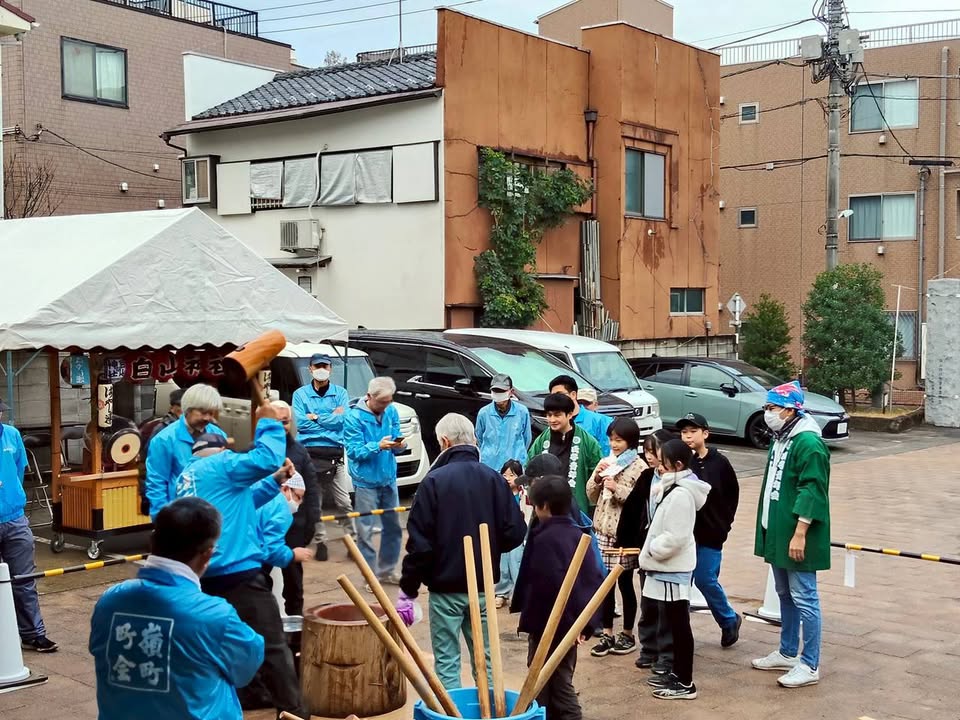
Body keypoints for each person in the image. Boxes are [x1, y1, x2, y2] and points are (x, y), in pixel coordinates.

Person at [174, 404, 308, 720]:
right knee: (273, 647)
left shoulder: (188, 477)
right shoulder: (222, 465)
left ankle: (241, 698)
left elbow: (242, 501)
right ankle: (294, 713)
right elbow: (268, 457)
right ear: (222, 450)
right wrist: (269, 422)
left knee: (225, 645)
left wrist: (275, 481)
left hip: (204, 578)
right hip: (238, 576)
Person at [89, 497, 263, 720]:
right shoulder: (215, 615)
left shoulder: (110, 601)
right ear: (208, 554)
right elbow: (245, 668)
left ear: (152, 541)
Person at [398, 413, 526, 690]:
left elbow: (419, 545)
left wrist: (408, 590)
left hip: (445, 589)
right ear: (473, 440)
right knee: (486, 658)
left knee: (447, 660)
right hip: (483, 588)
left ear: (444, 442)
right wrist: (490, 549)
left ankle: (452, 710)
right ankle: (491, 707)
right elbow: (516, 531)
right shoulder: (494, 479)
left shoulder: (433, 482)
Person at [751, 381, 831, 689]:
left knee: (805, 597)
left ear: (789, 410)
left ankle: (809, 664)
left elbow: (812, 489)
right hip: (778, 529)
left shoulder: (808, 442)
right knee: (784, 594)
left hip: (797, 533)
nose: (767, 413)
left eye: (771, 408)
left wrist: (800, 533)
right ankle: (786, 651)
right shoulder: (781, 438)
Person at [510, 474, 605, 720]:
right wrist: (585, 624)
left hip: (550, 625)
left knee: (550, 681)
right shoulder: (578, 534)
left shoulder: (545, 539)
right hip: (569, 623)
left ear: (544, 506)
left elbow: (545, 586)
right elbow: (592, 580)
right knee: (552, 679)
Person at [639, 438, 710, 700]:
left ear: (677, 465)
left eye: (664, 463)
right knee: (675, 622)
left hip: (671, 568)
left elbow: (676, 536)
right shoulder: (674, 488)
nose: (659, 466)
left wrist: (653, 548)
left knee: (678, 624)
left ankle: (684, 681)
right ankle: (678, 674)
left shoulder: (681, 494)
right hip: (666, 567)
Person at [678, 412, 742, 647]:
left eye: (693, 431)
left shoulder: (719, 462)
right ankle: (678, 633)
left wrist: (724, 525)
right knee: (681, 584)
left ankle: (728, 619)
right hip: (685, 534)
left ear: (705, 434)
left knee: (705, 579)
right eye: (684, 432)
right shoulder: (682, 461)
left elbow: (732, 494)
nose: (688, 436)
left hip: (711, 534)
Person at [587, 418, 647, 658]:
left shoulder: (639, 467)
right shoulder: (607, 461)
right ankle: (607, 633)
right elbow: (591, 495)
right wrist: (597, 478)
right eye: (611, 439)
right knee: (604, 585)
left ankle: (628, 634)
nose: (614, 444)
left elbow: (639, 502)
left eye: (619, 440)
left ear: (630, 441)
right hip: (602, 530)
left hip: (623, 534)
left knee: (625, 583)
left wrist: (616, 488)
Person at [0, 399, 57, 653]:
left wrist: (12, 497)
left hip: (15, 519)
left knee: (24, 579)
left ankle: (33, 634)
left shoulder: (12, 435)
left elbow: (19, 472)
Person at [617, 429, 676, 676]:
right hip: (646, 550)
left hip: (670, 555)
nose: (650, 457)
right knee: (649, 601)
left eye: (655, 451)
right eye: (647, 451)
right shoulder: (646, 476)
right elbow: (631, 511)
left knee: (667, 607)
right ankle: (649, 648)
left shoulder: (679, 480)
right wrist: (624, 542)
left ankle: (667, 654)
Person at [292, 352, 354, 561]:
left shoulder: (340, 393)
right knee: (315, 503)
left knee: (344, 501)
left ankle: (352, 540)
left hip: (334, 454)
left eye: (325, 366)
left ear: (330, 369)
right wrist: (330, 420)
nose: (321, 370)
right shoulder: (300, 394)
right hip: (310, 454)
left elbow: (343, 421)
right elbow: (300, 423)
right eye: (317, 366)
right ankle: (321, 542)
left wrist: (316, 418)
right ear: (310, 369)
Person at [344, 377, 406, 583]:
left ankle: (387, 570)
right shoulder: (353, 417)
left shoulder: (391, 411)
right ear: (369, 397)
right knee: (365, 530)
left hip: (388, 477)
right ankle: (370, 576)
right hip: (366, 481)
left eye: (389, 401)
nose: (386, 406)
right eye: (382, 402)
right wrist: (377, 446)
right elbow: (353, 451)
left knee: (394, 527)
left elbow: (397, 436)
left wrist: (400, 445)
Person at [145, 383, 226, 520]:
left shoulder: (218, 435)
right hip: (180, 515)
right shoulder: (164, 439)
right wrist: (161, 519)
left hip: (213, 513)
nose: (207, 418)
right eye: (202, 412)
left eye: (211, 413)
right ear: (187, 409)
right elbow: (156, 482)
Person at [272, 400, 319, 616]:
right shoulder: (255, 451)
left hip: (293, 527)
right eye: (276, 422)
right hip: (264, 527)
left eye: (285, 422)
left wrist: (311, 523)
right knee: (262, 580)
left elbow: (312, 489)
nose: (281, 427)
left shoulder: (299, 451)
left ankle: (295, 626)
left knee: (293, 584)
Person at [528, 392, 602, 516]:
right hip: (546, 508)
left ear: (570, 414)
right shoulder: (542, 440)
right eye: (549, 415)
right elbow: (529, 467)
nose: (552, 420)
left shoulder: (588, 442)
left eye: (557, 415)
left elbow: (596, 475)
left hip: (576, 508)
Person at [256, 472, 314, 584]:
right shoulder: (280, 508)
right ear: (286, 489)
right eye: (298, 497)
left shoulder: (257, 497)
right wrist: (293, 555)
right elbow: (271, 549)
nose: (299, 503)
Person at [475, 374, 531, 471]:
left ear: (511, 392)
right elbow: (479, 438)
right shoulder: (484, 413)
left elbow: (527, 438)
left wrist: (518, 456)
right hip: (490, 465)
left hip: (514, 467)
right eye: (495, 391)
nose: (498, 394)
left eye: (502, 391)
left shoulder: (522, 412)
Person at [494, 459, 530, 608]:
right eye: (505, 475)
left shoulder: (525, 495)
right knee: (502, 565)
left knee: (516, 564)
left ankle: (517, 594)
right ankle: (500, 593)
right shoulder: (498, 494)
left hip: (519, 535)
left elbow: (528, 515)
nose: (508, 478)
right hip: (503, 534)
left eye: (512, 475)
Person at [549, 375, 612, 456]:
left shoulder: (601, 421)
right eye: (552, 396)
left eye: (560, 394)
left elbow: (607, 453)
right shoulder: (553, 422)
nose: (555, 399)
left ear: (573, 394)